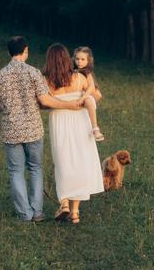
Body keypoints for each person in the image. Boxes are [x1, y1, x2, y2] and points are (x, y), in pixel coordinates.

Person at [0, 36, 84, 223]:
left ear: (9, 52)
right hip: (33, 129)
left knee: (16, 171)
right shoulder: (33, 72)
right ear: (26, 50)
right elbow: (45, 100)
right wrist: (69, 105)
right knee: (35, 168)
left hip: (11, 131)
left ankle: (25, 214)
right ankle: (37, 212)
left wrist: (9, 106)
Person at [43, 43, 105, 224]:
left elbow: (44, 102)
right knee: (78, 162)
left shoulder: (46, 80)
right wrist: (84, 96)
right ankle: (75, 212)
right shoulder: (79, 77)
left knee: (62, 162)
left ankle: (64, 204)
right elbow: (97, 96)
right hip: (80, 120)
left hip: (58, 119)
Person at [73, 46, 105, 141]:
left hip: (86, 96)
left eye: (83, 59)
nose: (79, 62)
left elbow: (91, 87)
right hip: (78, 98)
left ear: (88, 61)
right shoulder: (74, 71)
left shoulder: (87, 72)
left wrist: (83, 98)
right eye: (77, 59)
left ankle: (95, 129)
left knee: (88, 100)